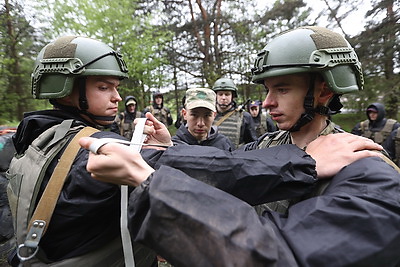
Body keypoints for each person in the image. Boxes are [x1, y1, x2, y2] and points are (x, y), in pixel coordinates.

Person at [79, 26, 400, 266]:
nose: (268, 102)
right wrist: (166, 150)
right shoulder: (271, 143)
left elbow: (281, 254)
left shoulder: (368, 172)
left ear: (325, 92)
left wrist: (148, 184)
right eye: (268, 89)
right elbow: (225, 165)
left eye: (283, 89)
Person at [6, 36, 156, 266]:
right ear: (67, 91)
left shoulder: (38, 135)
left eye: (116, 88)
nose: (116, 97)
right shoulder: (96, 148)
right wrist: (164, 149)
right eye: (103, 87)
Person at [212, 77, 257, 148]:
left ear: (232, 96)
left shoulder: (244, 117)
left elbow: (252, 145)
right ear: (215, 96)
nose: (223, 98)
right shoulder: (208, 115)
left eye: (227, 94)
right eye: (220, 94)